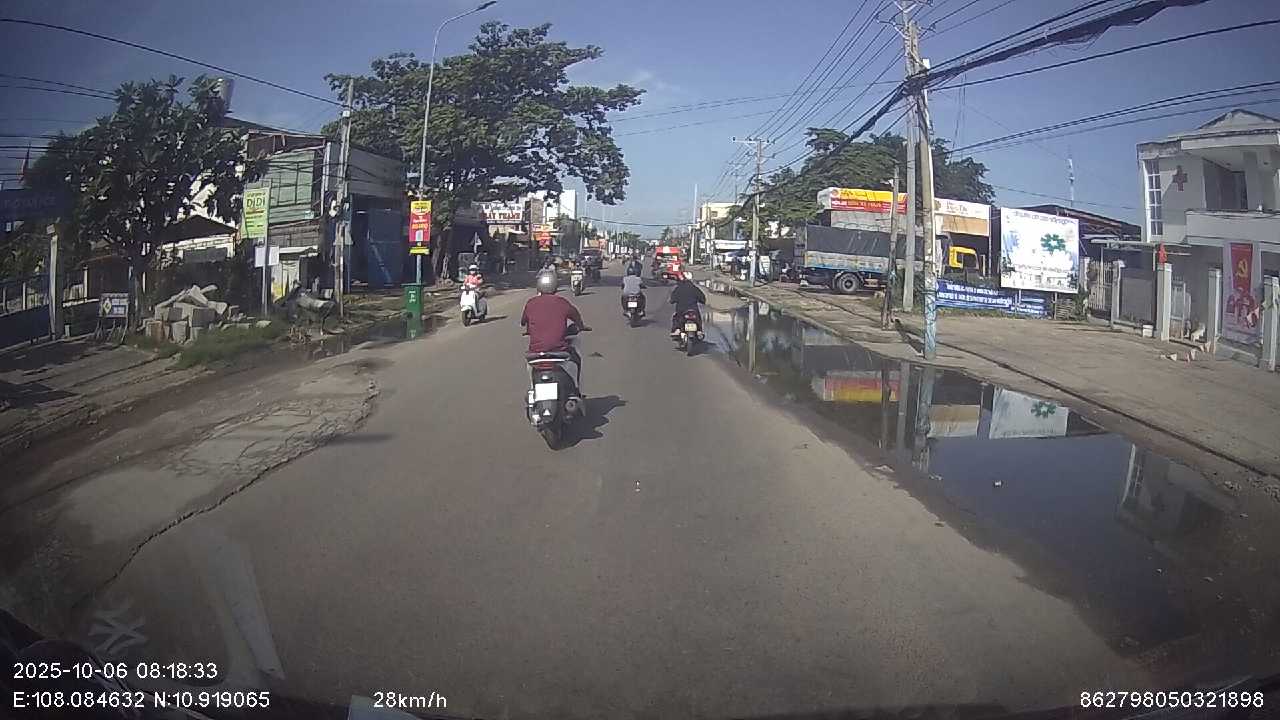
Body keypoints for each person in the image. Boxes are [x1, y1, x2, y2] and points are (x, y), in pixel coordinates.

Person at [521, 269, 589, 392]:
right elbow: (576, 316)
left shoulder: (530, 303)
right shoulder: (562, 302)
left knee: (529, 364)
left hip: (536, 353)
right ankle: (575, 389)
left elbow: (523, 321)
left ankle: (533, 389)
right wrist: (581, 326)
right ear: (555, 286)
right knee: (576, 359)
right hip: (559, 351)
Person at [669, 270, 706, 336]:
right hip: (693, 309)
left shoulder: (678, 288)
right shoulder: (695, 288)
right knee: (698, 318)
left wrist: (672, 301)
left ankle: (677, 329)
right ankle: (699, 330)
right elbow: (702, 298)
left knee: (676, 317)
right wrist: (702, 301)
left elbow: (672, 299)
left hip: (681, 309)